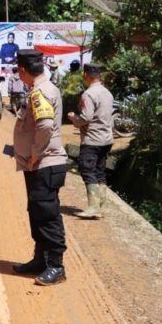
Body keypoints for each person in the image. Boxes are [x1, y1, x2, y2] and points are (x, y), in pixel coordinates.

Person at [11, 49, 68, 286]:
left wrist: (35, 155)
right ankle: (40, 260)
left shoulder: (40, 93)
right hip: (40, 164)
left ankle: (56, 266)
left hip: (44, 164)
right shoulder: (42, 89)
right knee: (37, 212)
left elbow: (44, 127)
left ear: (22, 70)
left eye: (18, 70)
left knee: (47, 215)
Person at [67, 63, 114, 219]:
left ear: (86, 75)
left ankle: (94, 207)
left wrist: (74, 118)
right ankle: (102, 206)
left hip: (92, 139)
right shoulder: (107, 93)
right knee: (99, 171)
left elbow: (86, 118)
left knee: (87, 170)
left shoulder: (88, 94)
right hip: (106, 139)